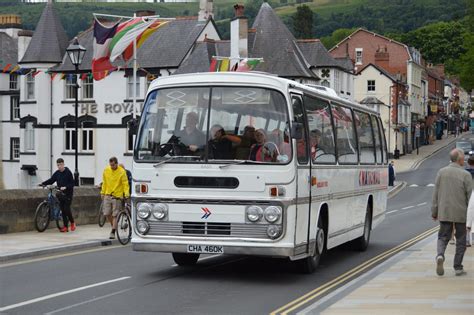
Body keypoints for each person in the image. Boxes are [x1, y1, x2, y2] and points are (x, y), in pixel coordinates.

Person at [431, 148, 471, 276]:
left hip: (445, 211)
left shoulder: (441, 172)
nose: (464, 160)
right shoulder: (466, 175)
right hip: (461, 212)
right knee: (461, 240)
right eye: (463, 158)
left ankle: (440, 255)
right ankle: (458, 267)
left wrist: (434, 211)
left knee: (443, 237)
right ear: (460, 160)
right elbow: (471, 197)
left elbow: (435, 194)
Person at [40, 158, 75, 232]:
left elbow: (72, 183)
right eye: (58, 165)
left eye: (60, 165)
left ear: (63, 164)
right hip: (60, 194)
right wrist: (43, 183)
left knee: (66, 209)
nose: (59, 166)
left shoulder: (68, 172)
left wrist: (66, 187)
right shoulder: (57, 173)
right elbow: (51, 180)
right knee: (63, 210)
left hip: (68, 194)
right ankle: (65, 227)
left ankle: (72, 222)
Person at [101, 157, 130, 239]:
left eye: (113, 165)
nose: (112, 167)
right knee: (106, 213)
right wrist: (102, 192)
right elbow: (104, 182)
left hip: (117, 196)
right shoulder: (106, 170)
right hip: (108, 194)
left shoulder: (122, 171)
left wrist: (126, 194)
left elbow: (125, 183)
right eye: (110, 165)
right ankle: (114, 225)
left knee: (115, 215)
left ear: (116, 163)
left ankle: (113, 231)